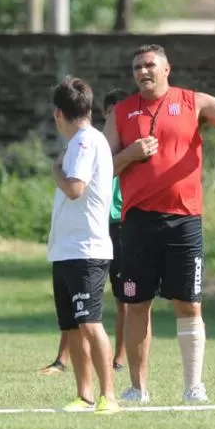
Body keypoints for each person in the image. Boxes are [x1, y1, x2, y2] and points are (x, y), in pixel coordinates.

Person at [105, 44, 215, 403]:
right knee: (137, 304)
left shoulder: (193, 102)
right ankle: (137, 388)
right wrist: (130, 155)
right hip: (136, 222)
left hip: (184, 220)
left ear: (167, 69)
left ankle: (194, 387)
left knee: (189, 304)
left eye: (149, 65)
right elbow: (101, 168)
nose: (143, 72)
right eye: (136, 68)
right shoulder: (120, 112)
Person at [38, 88, 129, 376]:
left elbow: (75, 188)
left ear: (57, 113)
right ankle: (84, 394)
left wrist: (55, 170)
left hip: (85, 249)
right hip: (68, 249)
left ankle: (108, 395)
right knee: (74, 326)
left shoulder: (85, 142)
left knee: (89, 323)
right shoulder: (83, 140)